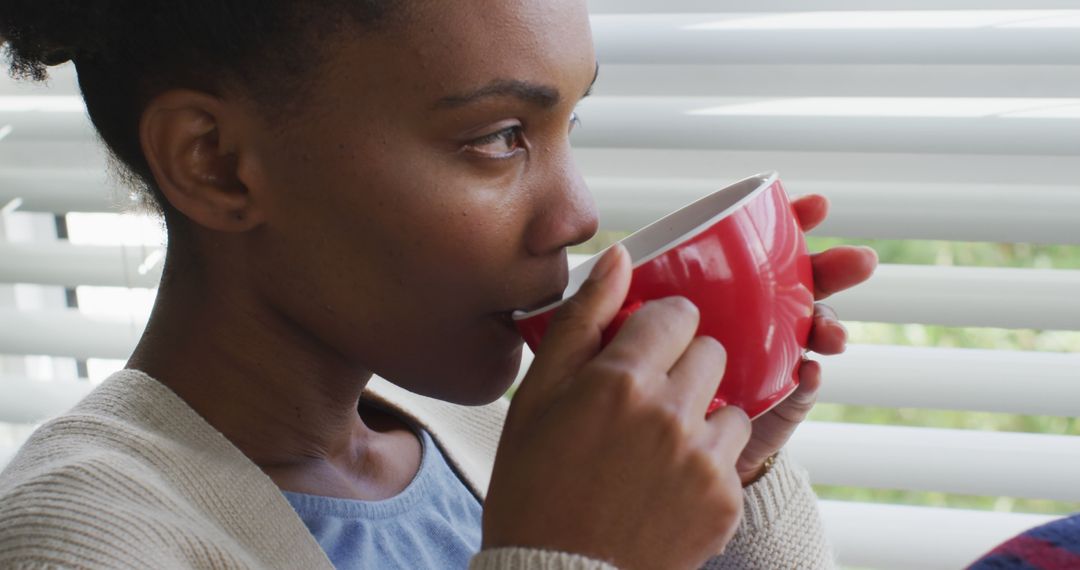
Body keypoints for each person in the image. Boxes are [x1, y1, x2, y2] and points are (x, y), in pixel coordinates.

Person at [0, 1, 877, 568]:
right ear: (218, 164)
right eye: (498, 135)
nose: (577, 214)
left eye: (571, 121)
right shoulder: (76, 543)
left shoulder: (523, 442)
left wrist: (735, 472)